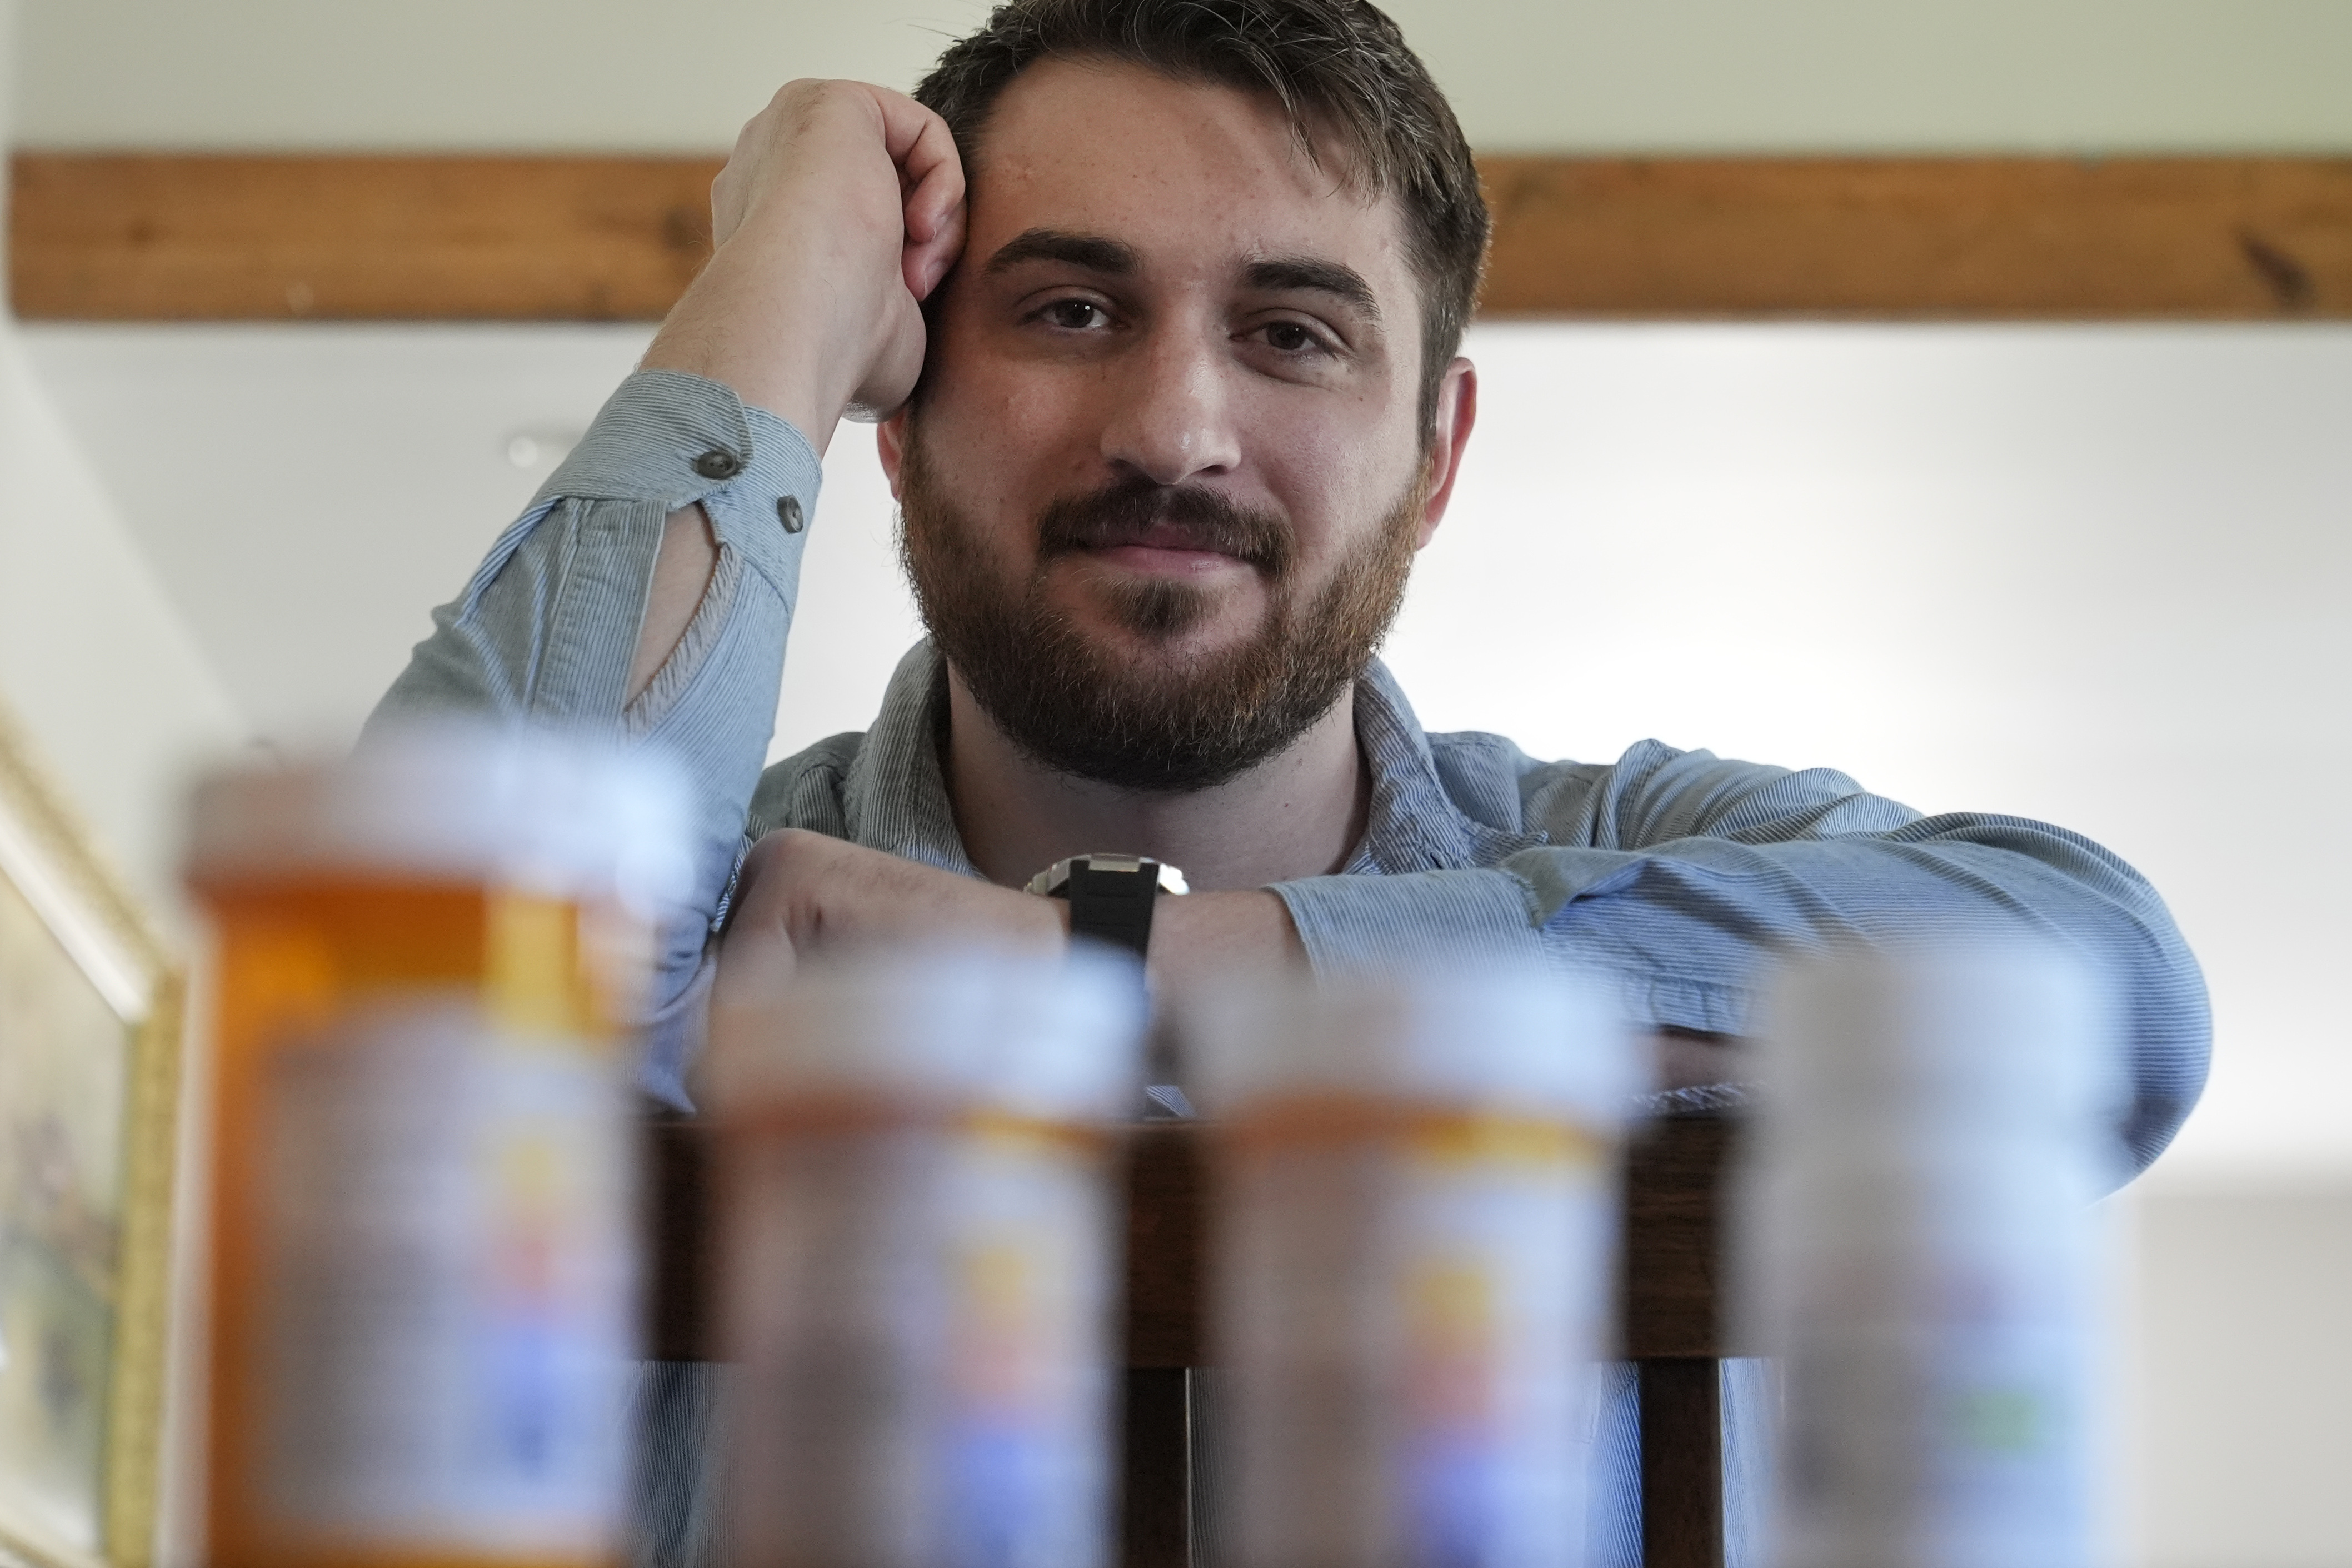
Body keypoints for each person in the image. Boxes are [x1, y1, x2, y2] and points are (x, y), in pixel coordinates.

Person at [371, 0, 2210, 1560]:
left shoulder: (1627, 850)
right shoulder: (711, 897)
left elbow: (2105, 999)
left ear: (1433, 455)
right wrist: (781, 279)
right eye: (1069, 310)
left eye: (1294, 333)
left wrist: (1112, 975)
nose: (1174, 430)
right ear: (901, 418)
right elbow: (414, 1003)